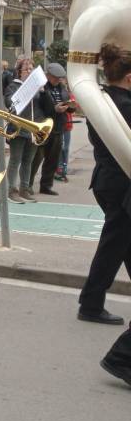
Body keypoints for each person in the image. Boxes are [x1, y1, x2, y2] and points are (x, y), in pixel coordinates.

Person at [77, 44, 131, 325]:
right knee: (113, 246)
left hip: (107, 180)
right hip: (121, 185)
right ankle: (91, 303)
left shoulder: (103, 98)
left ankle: (91, 301)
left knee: (122, 243)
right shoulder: (125, 104)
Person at [3, 58, 45, 203]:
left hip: (34, 129)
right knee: (15, 160)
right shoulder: (13, 86)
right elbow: (10, 102)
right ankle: (11, 190)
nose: (29, 72)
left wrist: (43, 92)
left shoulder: (38, 89)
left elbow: (45, 107)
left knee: (28, 160)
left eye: (31, 69)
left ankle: (24, 189)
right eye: (26, 69)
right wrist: (26, 90)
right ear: (19, 71)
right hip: (18, 128)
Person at [29, 63, 70, 196]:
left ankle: (46, 186)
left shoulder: (61, 87)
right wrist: (54, 108)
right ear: (48, 75)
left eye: (60, 78)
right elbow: (40, 106)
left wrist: (70, 106)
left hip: (58, 126)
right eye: (55, 77)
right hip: (44, 126)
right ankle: (27, 184)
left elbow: (66, 101)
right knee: (37, 158)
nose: (58, 80)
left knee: (52, 159)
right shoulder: (42, 88)